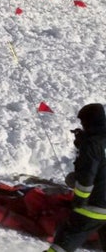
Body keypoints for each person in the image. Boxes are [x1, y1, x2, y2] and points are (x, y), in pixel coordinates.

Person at [46, 103, 106, 252]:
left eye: (83, 122)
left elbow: (87, 176)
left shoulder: (92, 144)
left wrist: (79, 200)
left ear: (89, 121)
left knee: (64, 242)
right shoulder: (97, 141)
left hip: (95, 205)